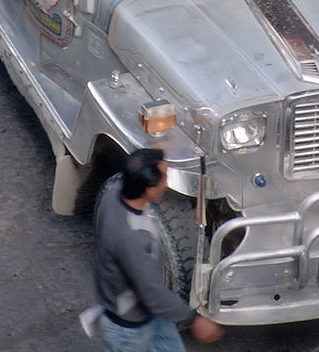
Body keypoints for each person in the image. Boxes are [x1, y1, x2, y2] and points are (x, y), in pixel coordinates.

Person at [93, 148, 223, 352]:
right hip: (131, 330)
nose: (166, 183)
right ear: (149, 190)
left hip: (151, 315)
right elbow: (152, 293)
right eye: (164, 178)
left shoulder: (115, 192)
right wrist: (194, 320)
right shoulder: (132, 238)